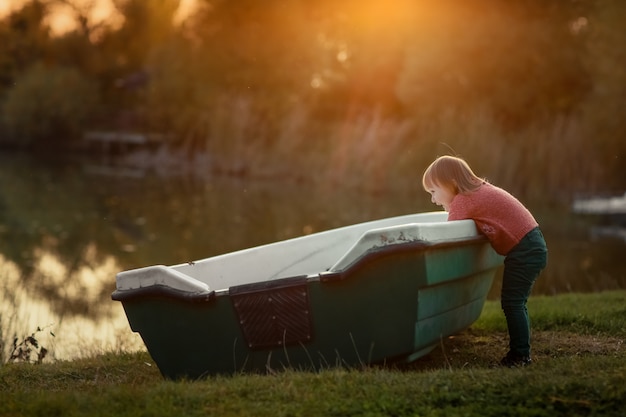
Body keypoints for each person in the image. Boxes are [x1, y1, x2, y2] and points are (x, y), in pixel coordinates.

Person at [422, 155, 548, 367]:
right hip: (531, 244)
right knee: (515, 302)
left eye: (434, 192)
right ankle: (521, 352)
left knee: (513, 303)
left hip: (525, 250)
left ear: (450, 184)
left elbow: (446, 233)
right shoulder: (478, 191)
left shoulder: (465, 200)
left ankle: (520, 355)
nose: (433, 199)